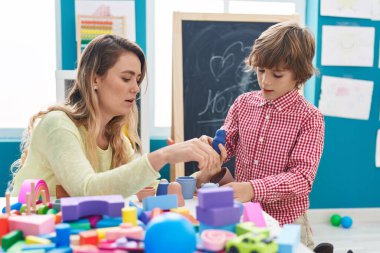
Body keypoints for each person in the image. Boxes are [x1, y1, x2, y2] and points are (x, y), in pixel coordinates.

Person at [10, 34, 220, 198]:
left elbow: (149, 188)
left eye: (137, 80)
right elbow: (86, 190)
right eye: (126, 78)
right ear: (95, 79)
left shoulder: (116, 139)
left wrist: (203, 176)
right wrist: (164, 155)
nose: (136, 88)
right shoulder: (58, 125)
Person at [196, 22, 325, 250]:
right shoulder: (243, 103)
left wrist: (253, 189)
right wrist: (214, 150)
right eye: (261, 71)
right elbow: (230, 144)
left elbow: (302, 178)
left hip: (288, 222)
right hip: (246, 217)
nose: (265, 81)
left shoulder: (310, 118)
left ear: (300, 74)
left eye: (277, 74)